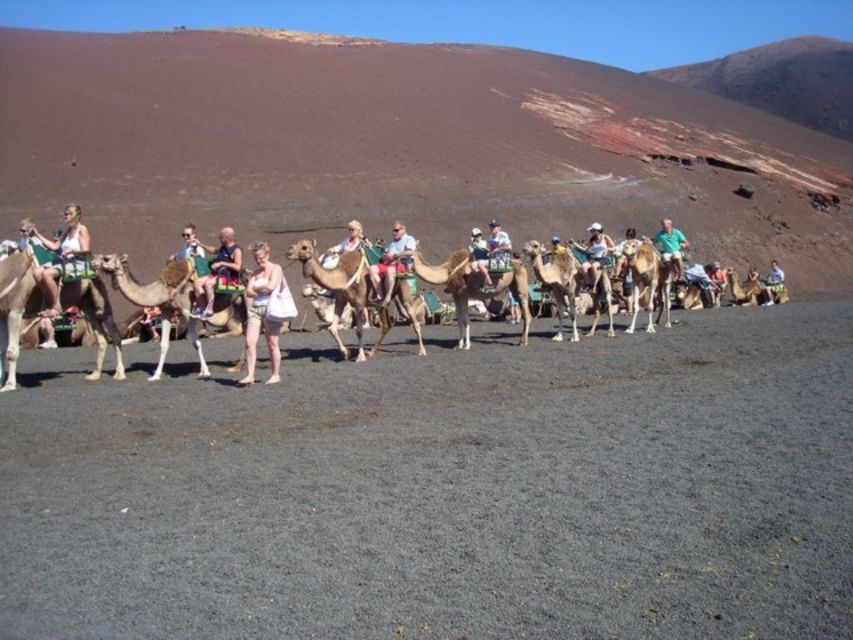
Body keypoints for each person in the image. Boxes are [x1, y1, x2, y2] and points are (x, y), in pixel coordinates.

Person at [28, 204, 91, 317]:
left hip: (77, 263)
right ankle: (52, 303)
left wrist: (72, 250)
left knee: (47, 274)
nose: (64, 215)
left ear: (74, 215)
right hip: (64, 262)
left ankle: (56, 308)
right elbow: (55, 246)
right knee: (37, 272)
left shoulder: (82, 230)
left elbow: (85, 251)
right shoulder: (68, 230)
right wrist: (37, 235)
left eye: (67, 214)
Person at [239, 241, 284, 386]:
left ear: (267, 254)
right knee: (249, 342)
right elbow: (249, 291)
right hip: (256, 309)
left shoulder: (276, 268)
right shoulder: (256, 272)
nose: (259, 261)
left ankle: (275, 374)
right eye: (256, 259)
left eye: (261, 257)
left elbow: (271, 286)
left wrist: (258, 288)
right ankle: (250, 375)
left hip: (271, 309)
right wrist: (261, 288)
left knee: (272, 344)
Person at [324, 219, 373, 327]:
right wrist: (332, 249)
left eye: (352, 229)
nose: (350, 231)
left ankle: (367, 322)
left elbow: (370, 247)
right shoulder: (347, 240)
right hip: (345, 267)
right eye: (349, 229)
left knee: (360, 296)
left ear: (358, 230)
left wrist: (363, 238)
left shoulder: (361, 241)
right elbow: (339, 247)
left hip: (357, 267)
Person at [191, 227, 243, 319]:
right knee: (197, 282)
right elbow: (214, 250)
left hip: (229, 277)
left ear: (227, 238)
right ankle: (203, 308)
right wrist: (200, 245)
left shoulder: (236, 250)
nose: (219, 238)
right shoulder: (223, 247)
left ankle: (210, 310)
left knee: (208, 284)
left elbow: (238, 266)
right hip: (217, 274)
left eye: (221, 237)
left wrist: (221, 263)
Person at [368, 220, 415, 307]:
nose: (394, 232)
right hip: (389, 263)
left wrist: (394, 255)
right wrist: (385, 256)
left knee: (390, 270)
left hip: (401, 264)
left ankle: (388, 296)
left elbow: (410, 252)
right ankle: (380, 295)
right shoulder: (392, 242)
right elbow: (386, 253)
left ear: (403, 229)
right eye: (393, 230)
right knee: (372, 269)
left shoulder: (409, 239)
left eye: (396, 230)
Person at [571, 222, 615, 288]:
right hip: (595, 258)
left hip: (604, 258)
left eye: (592, 231)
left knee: (594, 266)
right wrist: (574, 243)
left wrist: (607, 249)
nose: (591, 232)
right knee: (583, 266)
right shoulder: (592, 240)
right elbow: (585, 249)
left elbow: (614, 248)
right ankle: (590, 284)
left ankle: (596, 284)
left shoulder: (606, 237)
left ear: (597, 230)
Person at [467, 227, 494, 292]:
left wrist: (474, 244)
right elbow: (471, 253)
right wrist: (473, 243)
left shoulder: (484, 242)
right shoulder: (471, 246)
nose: (478, 236)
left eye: (479, 235)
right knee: (473, 265)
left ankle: (490, 283)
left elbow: (481, 247)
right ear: (473, 237)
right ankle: (481, 283)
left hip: (486, 260)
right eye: (476, 235)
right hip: (478, 261)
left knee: (479, 264)